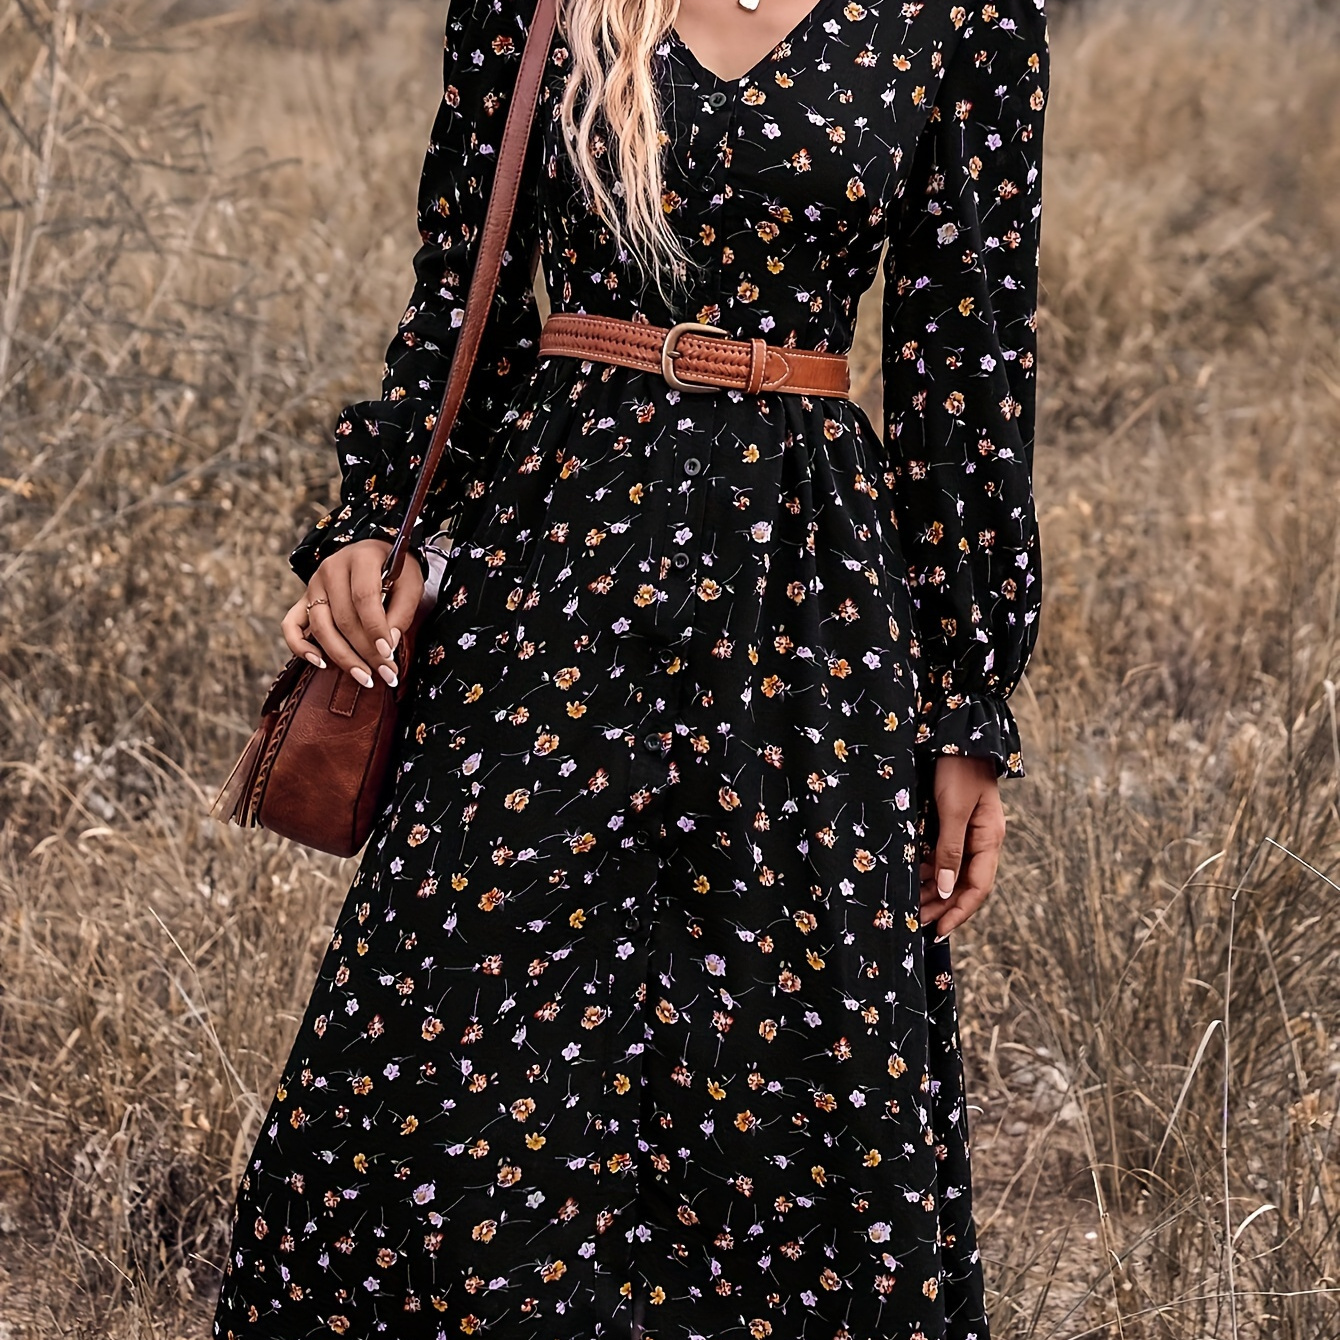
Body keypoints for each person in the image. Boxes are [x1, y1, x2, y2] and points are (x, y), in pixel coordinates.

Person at [211, 0, 1048, 1335]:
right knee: (480, 1026)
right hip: (558, 563)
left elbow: (969, 364)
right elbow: (463, 287)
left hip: (806, 606)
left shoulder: (959, 16)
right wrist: (381, 520)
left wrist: (967, 702)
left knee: (785, 1045)